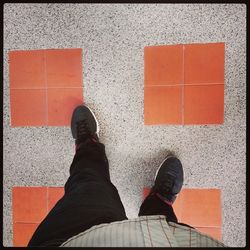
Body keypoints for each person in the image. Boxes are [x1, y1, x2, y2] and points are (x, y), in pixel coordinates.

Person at [28, 104, 226, 247]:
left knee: (87, 185)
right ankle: (158, 204)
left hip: (65, 241)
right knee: (165, 229)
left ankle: (88, 146)